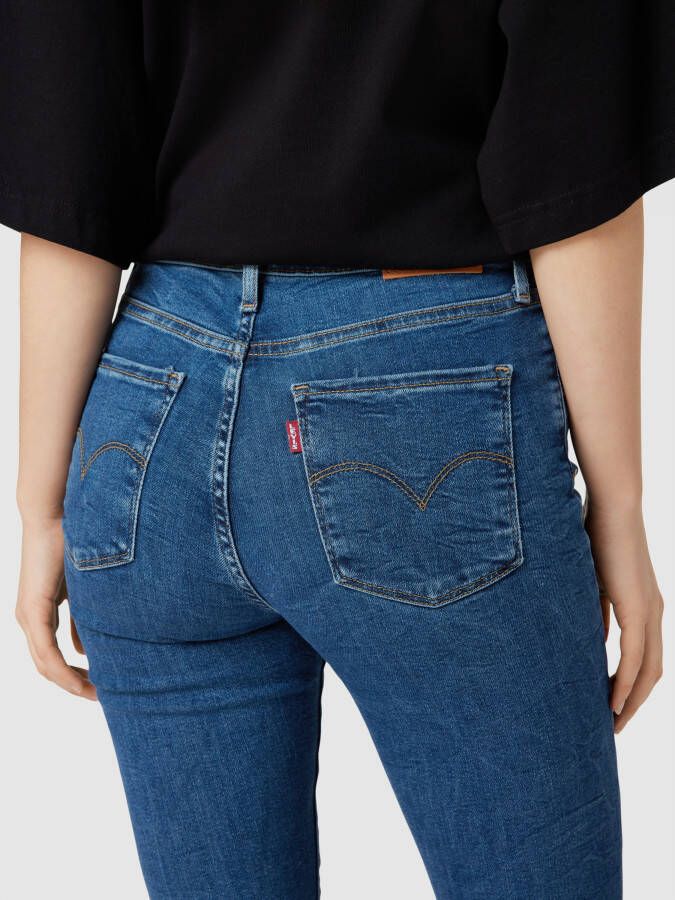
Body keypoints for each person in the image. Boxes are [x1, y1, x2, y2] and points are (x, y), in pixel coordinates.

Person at [2, 2, 673, 897]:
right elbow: (574, 161)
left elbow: (68, 176)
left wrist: (42, 503)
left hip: (150, 401)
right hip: (424, 385)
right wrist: (618, 504)